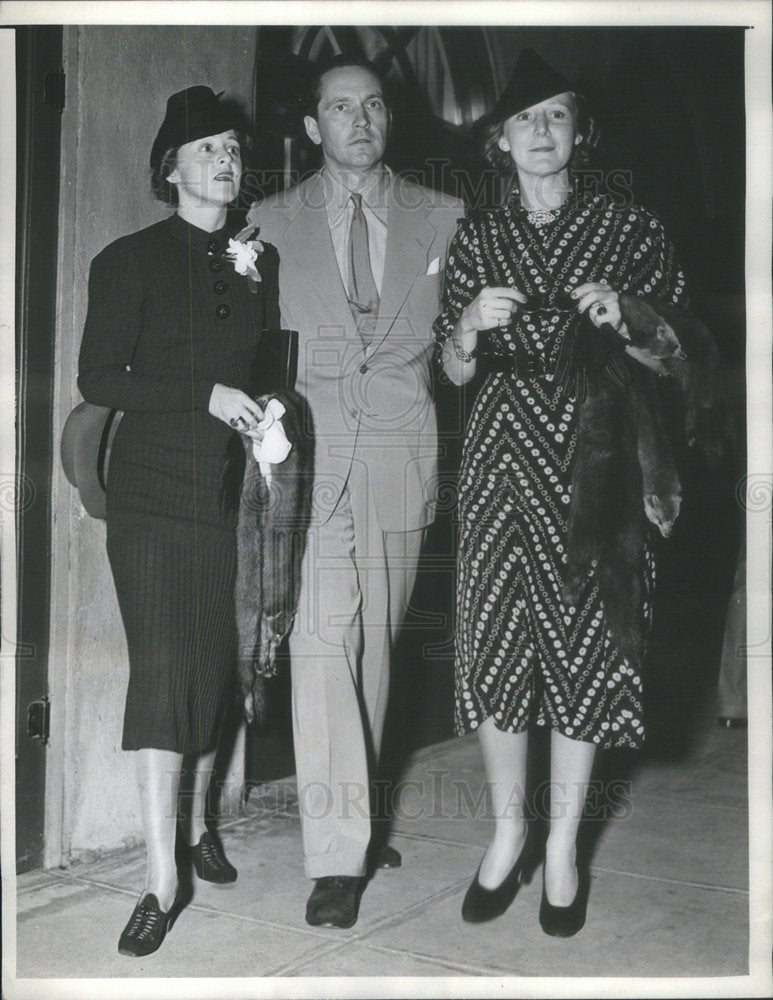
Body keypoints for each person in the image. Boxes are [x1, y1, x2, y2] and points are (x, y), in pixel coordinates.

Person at [434, 49, 689, 936]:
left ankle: (562, 849)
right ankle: (507, 833)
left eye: (555, 116)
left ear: (578, 131)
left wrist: (634, 318)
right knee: (501, 648)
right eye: (523, 121)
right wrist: (466, 325)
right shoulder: (475, 238)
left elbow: (681, 355)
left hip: (597, 467)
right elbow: (452, 369)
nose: (540, 133)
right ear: (499, 143)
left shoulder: (631, 231)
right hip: (501, 464)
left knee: (582, 651)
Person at [248, 54, 465, 929]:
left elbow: (456, 354)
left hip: (399, 457)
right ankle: (336, 856)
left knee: (372, 648)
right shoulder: (264, 222)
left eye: (373, 105)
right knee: (317, 640)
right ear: (312, 128)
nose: (361, 120)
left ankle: (360, 819)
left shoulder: (443, 216)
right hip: (309, 458)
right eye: (341, 107)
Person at [78, 86, 279, 956]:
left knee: (214, 664)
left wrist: (267, 415)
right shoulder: (127, 259)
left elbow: (259, 366)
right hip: (154, 497)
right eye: (207, 149)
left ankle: (198, 822)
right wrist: (204, 395)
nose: (225, 161)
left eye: (232, 148)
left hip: (227, 495)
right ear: (171, 168)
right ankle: (162, 877)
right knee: (164, 670)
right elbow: (100, 380)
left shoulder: (253, 262)